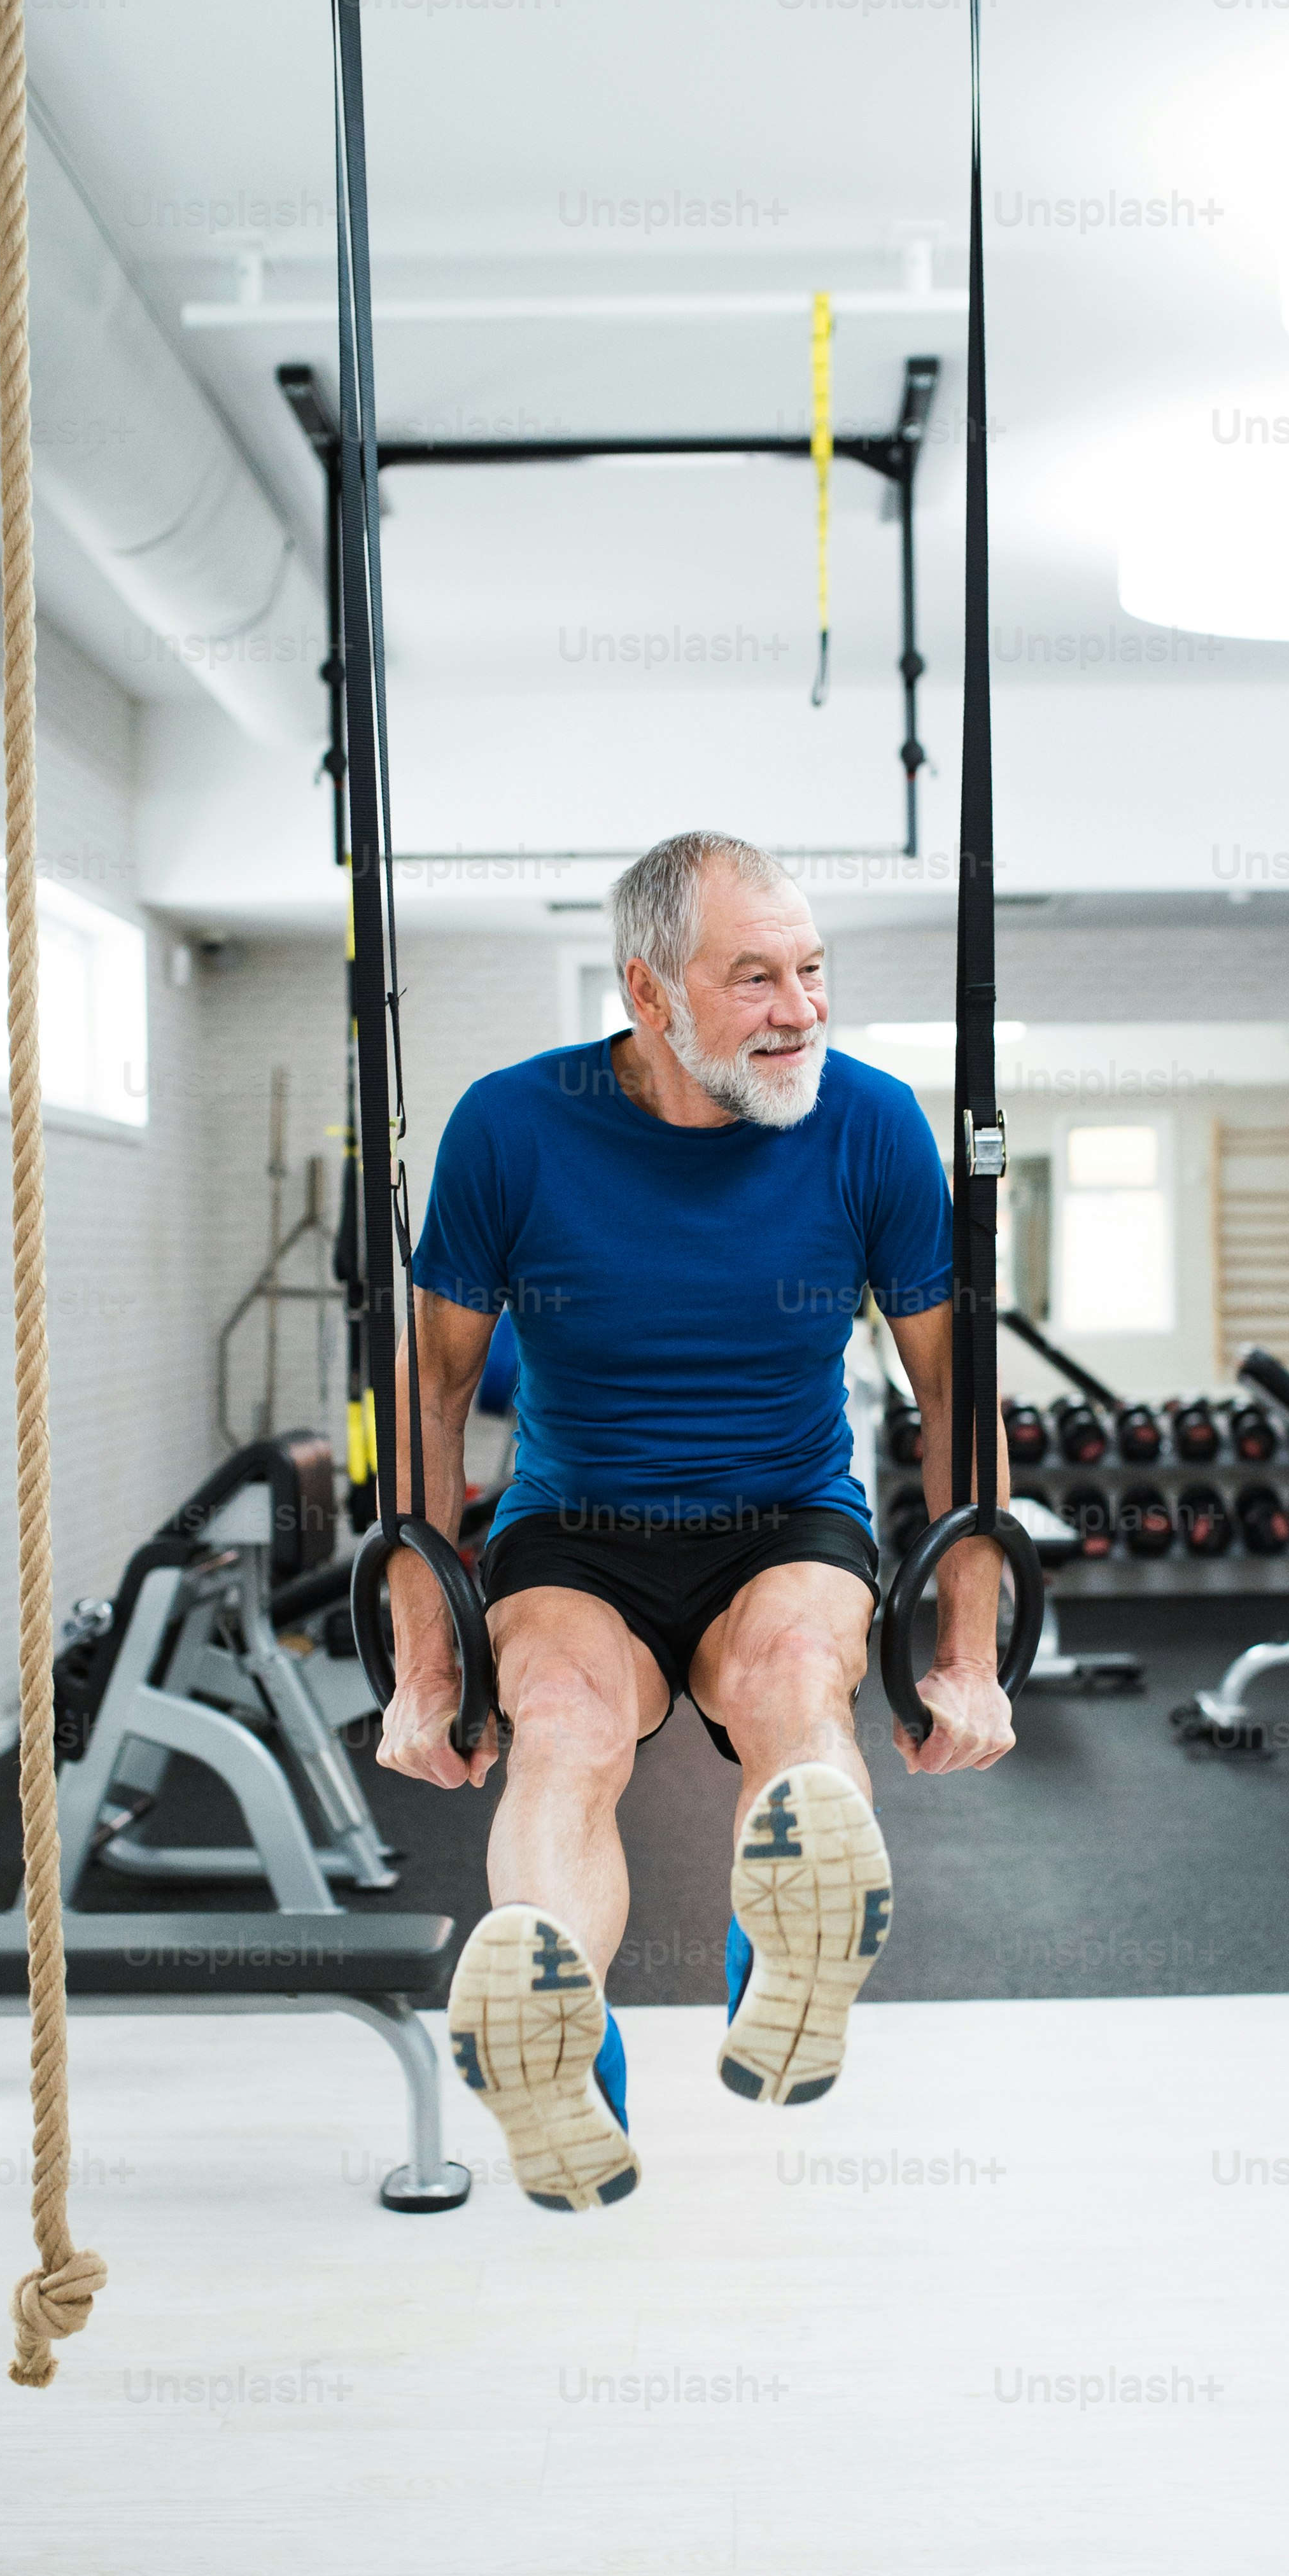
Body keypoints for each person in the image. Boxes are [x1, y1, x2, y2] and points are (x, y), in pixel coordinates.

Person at [378, 830, 1014, 2210]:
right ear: (649, 993)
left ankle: (787, 1962)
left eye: (810, 969)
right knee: (556, 1717)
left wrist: (969, 1649)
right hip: (574, 1522)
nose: (799, 1009)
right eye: (753, 979)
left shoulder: (870, 1122)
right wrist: (427, 1664)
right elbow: (428, 1395)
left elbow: (957, 1389)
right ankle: (558, 2041)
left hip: (783, 1514)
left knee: (794, 1679)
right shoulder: (510, 1124)